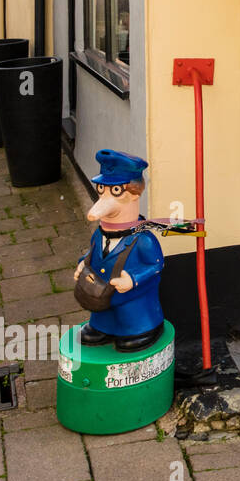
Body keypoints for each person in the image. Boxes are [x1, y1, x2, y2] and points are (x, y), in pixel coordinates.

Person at [73, 150, 166, 351]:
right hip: (102, 295)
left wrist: (132, 279)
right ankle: (102, 327)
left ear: (134, 193)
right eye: (101, 190)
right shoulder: (99, 234)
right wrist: (84, 262)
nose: (104, 200)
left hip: (135, 304)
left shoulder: (143, 240)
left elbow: (156, 265)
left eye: (115, 191)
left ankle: (141, 329)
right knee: (102, 312)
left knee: (131, 313)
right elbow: (94, 253)